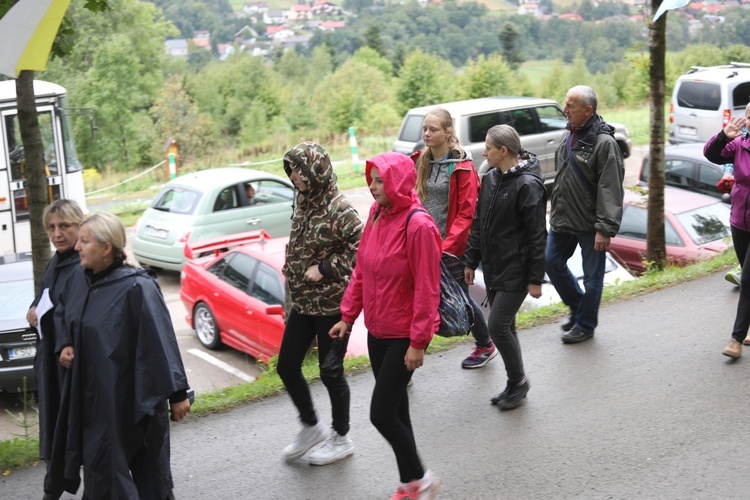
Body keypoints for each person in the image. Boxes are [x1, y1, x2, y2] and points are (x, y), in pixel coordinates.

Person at [53, 212, 191, 499]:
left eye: (84, 241)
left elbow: (161, 341)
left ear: (106, 248)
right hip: (98, 401)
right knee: (103, 474)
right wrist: (65, 342)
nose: (76, 247)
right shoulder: (80, 278)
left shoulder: (137, 287)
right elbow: (64, 309)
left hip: (137, 397)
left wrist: (177, 394)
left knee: (151, 479)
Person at [330, 152, 442, 500]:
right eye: (372, 179)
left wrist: (418, 342)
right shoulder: (377, 214)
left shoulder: (419, 225)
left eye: (380, 180)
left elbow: (427, 288)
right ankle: (409, 483)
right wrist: (347, 316)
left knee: (380, 414)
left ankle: (423, 479)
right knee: (397, 410)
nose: (372, 186)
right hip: (377, 332)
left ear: (397, 182)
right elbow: (363, 269)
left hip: (403, 337)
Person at [277, 142, 363, 464]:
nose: (294, 176)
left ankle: (341, 437)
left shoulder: (340, 209)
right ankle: (311, 426)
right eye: (291, 170)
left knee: (330, 372)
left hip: (331, 306)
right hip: (303, 303)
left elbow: (360, 251)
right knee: (286, 366)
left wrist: (325, 268)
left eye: (299, 169)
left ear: (316, 170)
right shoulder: (302, 200)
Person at [463, 125, 547, 410]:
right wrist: (470, 260)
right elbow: (479, 223)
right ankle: (514, 384)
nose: (483, 152)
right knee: (507, 326)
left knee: (497, 327)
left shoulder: (528, 185)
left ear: (503, 151)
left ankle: (519, 380)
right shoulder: (490, 179)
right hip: (495, 267)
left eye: (488, 147)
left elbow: (538, 235)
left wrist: (536, 278)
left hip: (517, 269)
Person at [412, 107, 497, 369]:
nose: (426, 133)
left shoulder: (462, 168)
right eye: (425, 128)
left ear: (448, 132)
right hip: (421, 244)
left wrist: (445, 248)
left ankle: (485, 345)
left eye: (433, 129)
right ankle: (410, 357)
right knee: (419, 296)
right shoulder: (420, 161)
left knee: (459, 297)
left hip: (448, 249)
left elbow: (466, 214)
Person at [545, 85, 624, 344]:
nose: (564, 109)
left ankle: (586, 325)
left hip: (591, 225)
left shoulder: (605, 143)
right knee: (551, 262)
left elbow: (610, 188)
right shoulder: (569, 134)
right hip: (563, 219)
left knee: (592, 279)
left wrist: (604, 228)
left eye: (570, 106)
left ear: (588, 110)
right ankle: (580, 308)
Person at [25, 199, 84, 500]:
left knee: (77, 428)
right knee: (55, 425)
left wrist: (67, 343)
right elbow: (45, 295)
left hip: (71, 365)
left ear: (80, 226)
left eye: (65, 226)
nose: (57, 233)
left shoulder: (84, 265)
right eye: (51, 227)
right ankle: (54, 485)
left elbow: (76, 313)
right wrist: (34, 307)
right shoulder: (55, 262)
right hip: (49, 362)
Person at [703, 103, 750, 358]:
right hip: (739, 222)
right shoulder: (739, 145)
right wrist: (723, 135)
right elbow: (711, 154)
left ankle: (736, 340)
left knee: (747, 281)